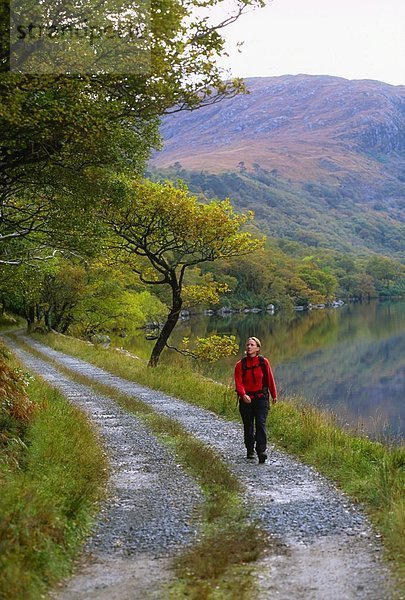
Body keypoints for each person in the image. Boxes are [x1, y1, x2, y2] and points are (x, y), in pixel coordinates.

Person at [234, 337, 277, 463]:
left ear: (258, 348)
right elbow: (239, 382)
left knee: (260, 423)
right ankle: (250, 449)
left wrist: (274, 395)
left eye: (252, 345)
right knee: (248, 426)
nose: (249, 347)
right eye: (247, 345)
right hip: (246, 399)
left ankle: (261, 450)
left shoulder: (264, 362)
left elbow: (270, 379)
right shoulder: (240, 365)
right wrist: (243, 395)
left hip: (261, 399)